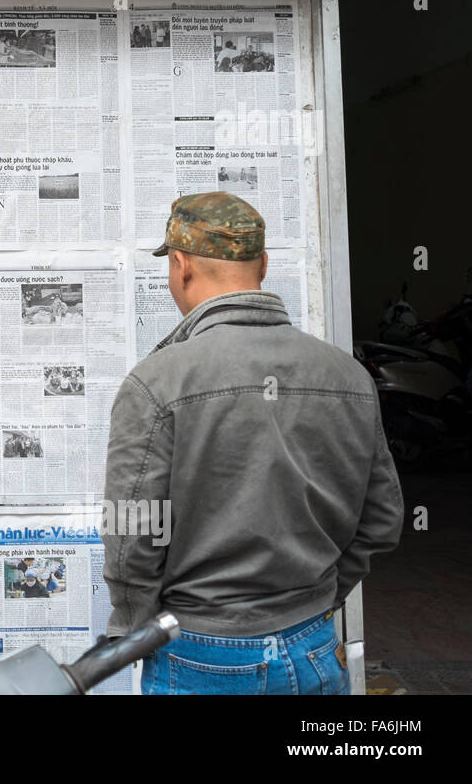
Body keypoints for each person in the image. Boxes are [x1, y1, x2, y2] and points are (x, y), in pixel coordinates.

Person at [102, 192, 403, 695]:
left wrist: (134, 625)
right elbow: (382, 519)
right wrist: (318, 601)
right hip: (313, 648)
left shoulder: (157, 382)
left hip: (199, 654)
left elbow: (133, 534)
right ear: (262, 264)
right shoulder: (348, 374)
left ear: (180, 265)